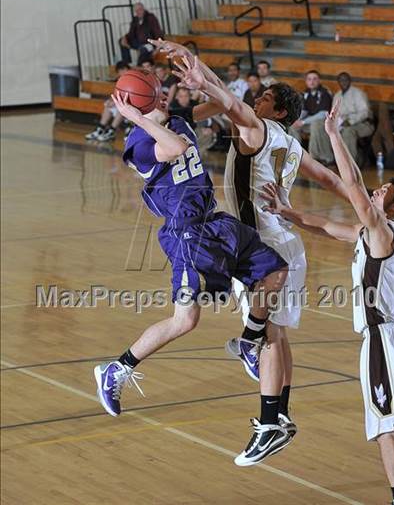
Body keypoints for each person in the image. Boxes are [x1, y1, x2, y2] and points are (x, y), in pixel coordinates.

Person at [168, 45, 349, 467]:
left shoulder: (258, 130)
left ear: (280, 112)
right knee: (278, 337)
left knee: (267, 338)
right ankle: (279, 416)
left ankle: (269, 424)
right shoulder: (289, 143)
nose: (257, 101)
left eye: (266, 98)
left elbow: (228, 102)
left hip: (263, 247)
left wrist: (199, 70)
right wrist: (362, 207)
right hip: (286, 245)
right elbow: (328, 178)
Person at [94, 90, 292, 461]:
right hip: (186, 234)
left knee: (276, 271)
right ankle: (116, 369)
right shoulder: (138, 143)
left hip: (215, 223)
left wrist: (201, 77)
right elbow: (173, 148)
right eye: (152, 97)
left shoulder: (178, 116)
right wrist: (138, 118)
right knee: (185, 320)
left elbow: (223, 104)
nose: (163, 98)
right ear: (137, 108)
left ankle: (249, 340)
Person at [262, 104, 394, 505]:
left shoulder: (381, 230)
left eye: (383, 192)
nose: (374, 191)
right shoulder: (371, 234)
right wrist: (287, 211)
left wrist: (333, 135)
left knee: (386, 426)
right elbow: (328, 226)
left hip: (384, 339)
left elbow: (351, 187)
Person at [310, 72, 373, 165]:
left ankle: (349, 163)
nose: (343, 82)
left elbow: (365, 113)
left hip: (362, 124)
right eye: (341, 80)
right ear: (338, 82)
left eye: (346, 80)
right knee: (318, 125)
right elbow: (334, 113)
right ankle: (326, 158)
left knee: (348, 131)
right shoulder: (337, 95)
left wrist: (350, 121)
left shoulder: (358, 93)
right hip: (341, 123)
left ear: (350, 81)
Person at [85, 61, 130, 142]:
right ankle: (100, 129)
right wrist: (111, 101)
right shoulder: (120, 81)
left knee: (121, 108)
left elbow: (130, 97)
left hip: (131, 107)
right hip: (122, 103)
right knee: (108, 105)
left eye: (124, 70)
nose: (122, 73)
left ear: (128, 70)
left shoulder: (134, 81)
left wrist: (115, 102)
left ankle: (112, 131)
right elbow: (116, 94)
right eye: (120, 71)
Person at [289, 70, 332, 143]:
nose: (312, 82)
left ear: (319, 80)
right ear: (306, 81)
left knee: (315, 125)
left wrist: (303, 122)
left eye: (315, 79)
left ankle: (314, 153)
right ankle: (296, 151)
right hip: (309, 121)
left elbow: (323, 114)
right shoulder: (307, 93)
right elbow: (304, 111)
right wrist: (297, 120)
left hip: (323, 122)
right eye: (309, 79)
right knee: (293, 126)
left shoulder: (324, 93)